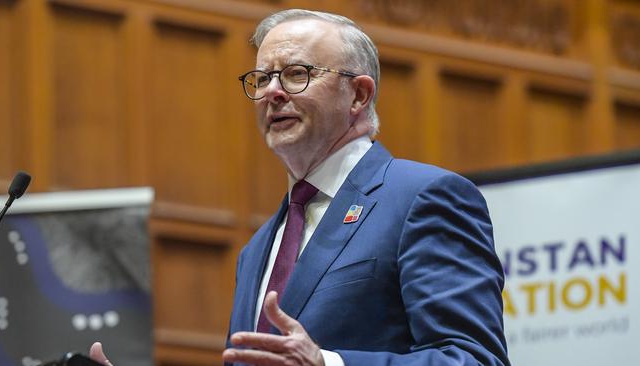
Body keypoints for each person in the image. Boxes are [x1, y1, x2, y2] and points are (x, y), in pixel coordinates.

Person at [91, 8, 509, 366]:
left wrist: (327, 363)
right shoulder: (257, 249)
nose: (272, 93)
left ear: (359, 95)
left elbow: (473, 359)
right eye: (262, 78)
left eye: (296, 74)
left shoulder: (424, 197)